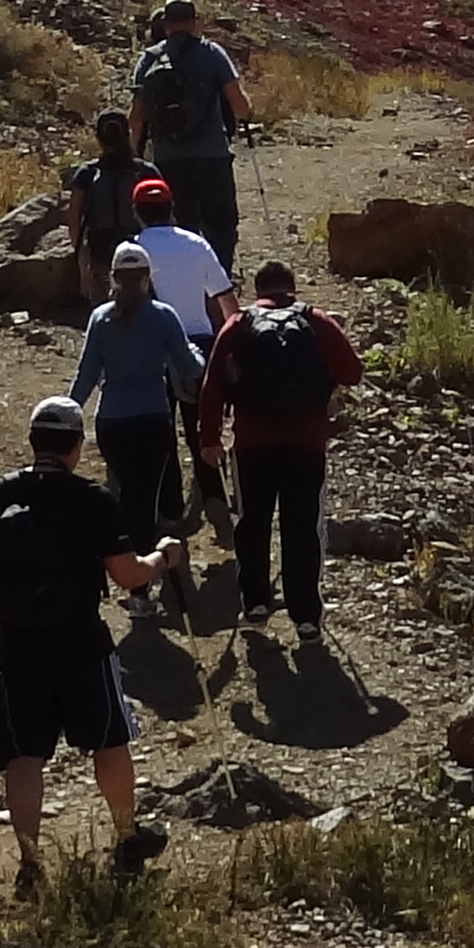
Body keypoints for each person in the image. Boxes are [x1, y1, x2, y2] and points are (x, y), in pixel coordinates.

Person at [0, 396, 168, 896]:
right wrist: (163, 559)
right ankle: (125, 836)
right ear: (76, 445)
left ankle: (30, 862)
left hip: (18, 642)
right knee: (108, 741)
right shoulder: (91, 500)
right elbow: (126, 574)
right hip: (80, 639)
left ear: (33, 441)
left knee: (26, 753)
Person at [194, 258, 366, 645]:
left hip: (252, 444)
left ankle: (255, 602)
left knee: (252, 523)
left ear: (257, 291)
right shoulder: (316, 320)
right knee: (302, 527)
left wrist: (209, 439)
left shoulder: (239, 324)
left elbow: (212, 385)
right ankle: (305, 616)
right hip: (306, 442)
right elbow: (353, 372)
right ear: (292, 288)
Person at [69, 243, 207, 616]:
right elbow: (189, 365)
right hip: (152, 422)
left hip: (111, 423)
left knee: (124, 496)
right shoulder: (163, 316)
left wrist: (68, 412)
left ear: (113, 278)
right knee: (144, 504)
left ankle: (122, 572)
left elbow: (86, 374)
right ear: (147, 278)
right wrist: (201, 355)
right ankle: (139, 591)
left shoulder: (101, 319)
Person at [129, 0, 253, 264]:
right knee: (220, 225)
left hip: (168, 159)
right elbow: (240, 107)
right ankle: (219, 282)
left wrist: (134, 157)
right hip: (212, 156)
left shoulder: (149, 59)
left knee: (180, 226)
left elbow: (136, 117)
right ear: (195, 22)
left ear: (165, 24)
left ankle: (185, 278)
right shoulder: (212, 54)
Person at [122, 174, 235, 333]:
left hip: (154, 345)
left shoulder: (130, 252)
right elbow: (227, 300)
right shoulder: (196, 244)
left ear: (135, 212)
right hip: (199, 340)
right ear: (171, 207)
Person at [62, 108, 143, 304]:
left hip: (101, 254)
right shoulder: (145, 171)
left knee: (105, 311)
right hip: (142, 253)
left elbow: (74, 220)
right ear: (128, 134)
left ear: (98, 138)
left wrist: (82, 265)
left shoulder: (87, 173)